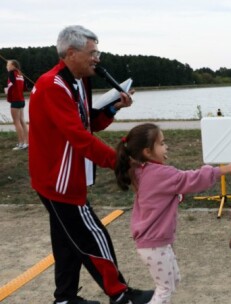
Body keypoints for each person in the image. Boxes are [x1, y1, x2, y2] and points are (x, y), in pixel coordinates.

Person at [28, 25, 153, 304]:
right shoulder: (53, 86)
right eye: (92, 52)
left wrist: (113, 108)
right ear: (71, 53)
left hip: (58, 176)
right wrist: (120, 162)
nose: (97, 58)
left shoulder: (78, 80)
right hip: (58, 179)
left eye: (98, 51)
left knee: (67, 240)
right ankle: (121, 295)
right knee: (93, 236)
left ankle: (64, 298)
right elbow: (79, 137)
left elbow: (87, 122)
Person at [114, 123, 231, 304]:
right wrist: (224, 170)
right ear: (147, 152)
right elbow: (191, 179)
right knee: (164, 289)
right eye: (162, 143)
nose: (166, 147)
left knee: (173, 281)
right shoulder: (160, 174)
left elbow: (166, 192)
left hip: (156, 243)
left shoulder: (139, 170)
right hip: (154, 244)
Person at [5, 59, 29, 150]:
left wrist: (8, 92)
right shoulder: (20, 74)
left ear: (13, 66)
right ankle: (26, 143)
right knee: (22, 121)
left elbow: (10, 86)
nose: (7, 66)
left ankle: (21, 143)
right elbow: (25, 88)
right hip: (22, 100)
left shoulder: (11, 74)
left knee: (16, 122)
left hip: (15, 101)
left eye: (8, 65)